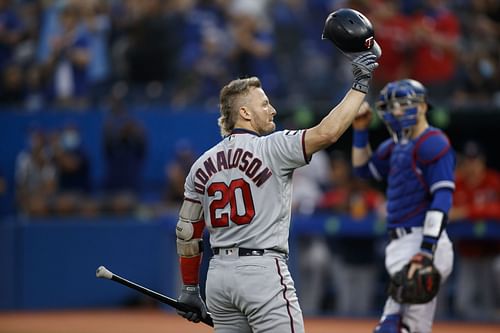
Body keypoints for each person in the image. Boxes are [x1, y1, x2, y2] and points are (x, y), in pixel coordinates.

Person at [174, 50, 379, 331]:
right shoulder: (273, 147)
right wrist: (360, 85)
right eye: (264, 104)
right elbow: (328, 133)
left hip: (218, 279)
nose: (272, 110)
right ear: (244, 112)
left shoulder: (201, 164)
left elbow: (187, 232)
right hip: (261, 272)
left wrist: (189, 287)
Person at [351, 79, 455, 333]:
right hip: (401, 244)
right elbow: (364, 170)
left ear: (420, 107)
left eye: (401, 105)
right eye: (391, 106)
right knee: (404, 326)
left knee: (398, 327)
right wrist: (361, 130)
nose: (395, 112)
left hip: (423, 242)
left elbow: (442, 198)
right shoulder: (395, 146)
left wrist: (426, 251)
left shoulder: (434, 142)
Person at [449, 140, 500, 320]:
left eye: (475, 161)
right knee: (463, 306)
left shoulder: (493, 180)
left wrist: (468, 211)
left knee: (492, 301)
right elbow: (446, 211)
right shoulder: (457, 183)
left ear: (482, 161)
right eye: (468, 161)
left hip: (493, 252)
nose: (472, 166)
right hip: (467, 253)